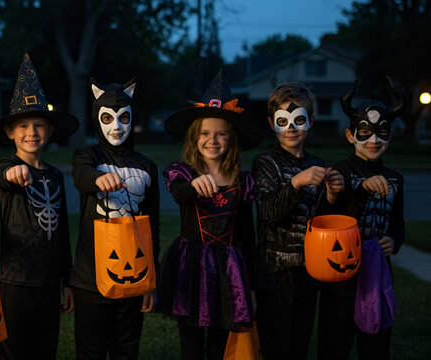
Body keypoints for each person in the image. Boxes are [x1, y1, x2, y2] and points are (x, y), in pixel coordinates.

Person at [155, 68, 261, 360]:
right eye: (204, 133)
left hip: (230, 270)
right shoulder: (183, 174)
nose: (212, 140)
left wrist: (251, 287)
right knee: (191, 344)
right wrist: (193, 184)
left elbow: (247, 236)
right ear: (194, 137)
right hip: (191, 266)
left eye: (220, 134)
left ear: (232, 139)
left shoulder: (243, 182)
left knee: (219, 341)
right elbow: (179, 195)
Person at [0, 53, 78, 360]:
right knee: (13, 350)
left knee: (44, 348)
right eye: (23, 126)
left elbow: (61, 233)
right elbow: (5, 177)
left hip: (49, 282)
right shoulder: (5, 166)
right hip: (15, 280)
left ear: (49, 132)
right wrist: (14, 173)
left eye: (39, 125)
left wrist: (67, 281)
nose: (31, 132)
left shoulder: (54, 175)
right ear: (10, 132)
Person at [68, 76, 160, 359]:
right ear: (97, 119)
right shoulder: (87, 155)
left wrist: (150, 280)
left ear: (132, 118)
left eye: (123, 118)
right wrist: (97, 178)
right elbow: (81, 176)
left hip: (133, 273)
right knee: (90, 350)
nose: (116, 127)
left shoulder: (147, 166)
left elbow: (152, 225)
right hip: (91, 277)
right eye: (107, 118)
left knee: (126, 349)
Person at [251, 82, 344, 359]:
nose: (291, 128)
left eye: (298, 120)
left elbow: (321, 221)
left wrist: (331, 195)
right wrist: (295, 183)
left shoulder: (318, 162)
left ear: (311, 121)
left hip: (310, 270)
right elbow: (267, 213)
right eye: (283, 121)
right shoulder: (266, 162)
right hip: (275, 272)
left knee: (299, 343)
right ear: (272, 124)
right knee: (276, 344)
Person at [317, 78, 405, 360]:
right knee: (335, 344)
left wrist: (395, 239)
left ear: (391, 135)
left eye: (382, 133)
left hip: (378, 273)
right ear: (350, 136)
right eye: (365, 132)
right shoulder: (339, 172)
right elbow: (329, 217)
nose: (374, 140)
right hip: (342, 275)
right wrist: (362, 191)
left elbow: (397, 222)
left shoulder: (395, 179)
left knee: (376, 345)